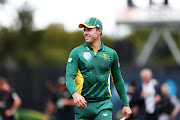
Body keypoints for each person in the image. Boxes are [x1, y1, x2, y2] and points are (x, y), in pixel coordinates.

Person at [66, 17, 132, 120]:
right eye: (84, 30)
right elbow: (69, 77)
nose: (85, 33)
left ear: (99, 31)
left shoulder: (111, 54)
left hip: (103, 105)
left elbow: (118, 80)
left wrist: (126, 104)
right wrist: (75, 95)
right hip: (83, 106)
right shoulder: (76, 52)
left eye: (89, 29)